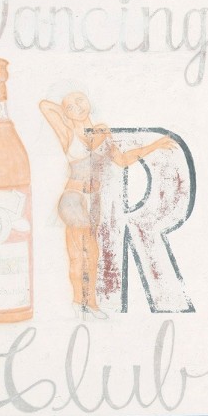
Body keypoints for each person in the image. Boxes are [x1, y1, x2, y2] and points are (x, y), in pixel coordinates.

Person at [39, 91, 176, 318]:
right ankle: (87, 304)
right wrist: (67, 116)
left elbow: (121, 160)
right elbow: (44, 106)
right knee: (86, 253)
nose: (77, 107)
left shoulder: (103, 131)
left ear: (89, 102)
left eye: (80, 100)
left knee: (83, 254)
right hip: (73, 198)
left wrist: (154, 146)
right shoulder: (68, 132)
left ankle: (80, 303)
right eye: (70, 106)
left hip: (93, 201)